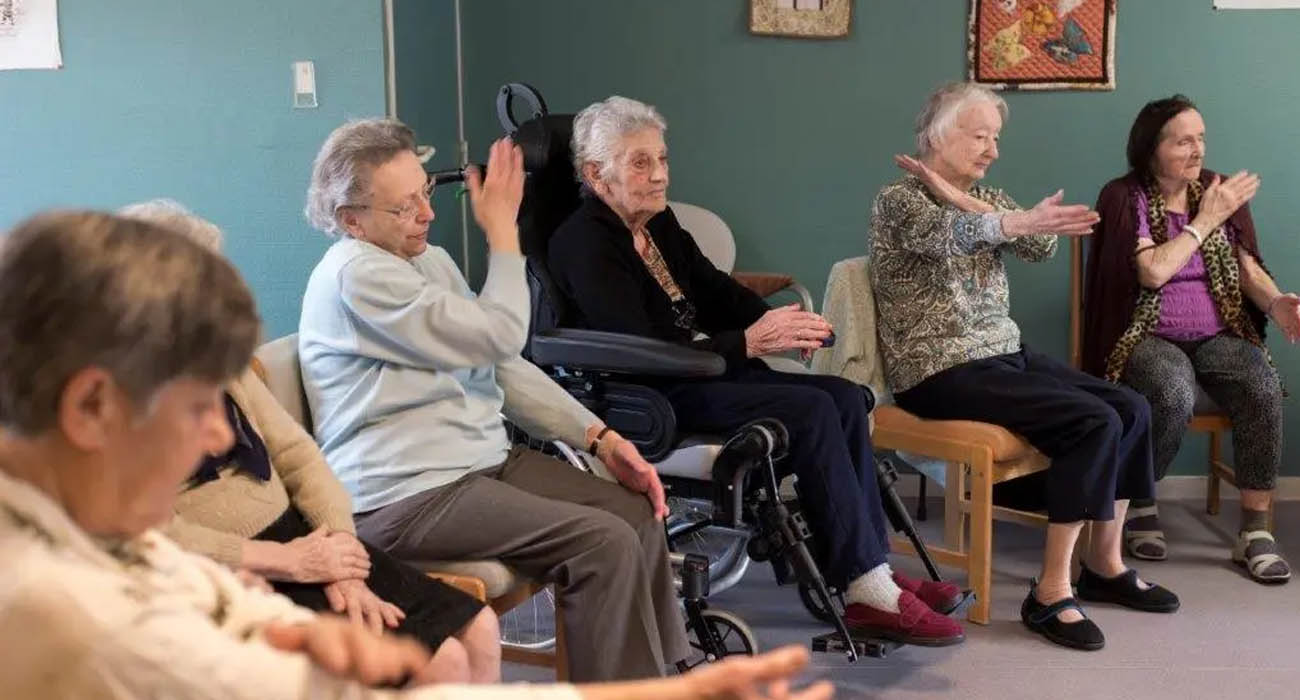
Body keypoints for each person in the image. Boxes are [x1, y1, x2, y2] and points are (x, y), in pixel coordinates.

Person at [0, 209, 834, 700]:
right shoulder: (59, 611)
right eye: (192, 412)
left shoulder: (113, 534)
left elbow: (289, 467)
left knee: (494, 614)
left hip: (326, 536)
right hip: (394, 499)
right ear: (90, 405)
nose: (223, 441)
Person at [547, 96, 966, 647]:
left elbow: (715, 290)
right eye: (640, 162)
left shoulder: (658, 222)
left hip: (702, 369)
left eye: (662, 159)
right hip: (650, 392)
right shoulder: (583, 242)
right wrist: (747, 342)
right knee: (814, 410)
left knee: (843, 395)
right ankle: (867, 588)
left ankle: (873, 572)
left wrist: (780, 324)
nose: (659, 175)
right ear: (596, 174)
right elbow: (642, 345)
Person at [298, 118, 689, 680]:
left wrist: (601, 440)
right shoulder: (357, 276)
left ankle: (656, 680)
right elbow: (502, 333)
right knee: (601, 543)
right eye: (404, 207)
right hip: (407, 495)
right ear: (350, 220)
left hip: (477, 462)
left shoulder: (424, 258)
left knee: (634, 512)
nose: (427, 215)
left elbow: (500, 363)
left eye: (424, 193)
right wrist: (503, 234)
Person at [117, 199, 501, 682]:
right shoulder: (116, 398)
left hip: (307, 540)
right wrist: (291, 563)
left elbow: (296, 453)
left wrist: (340, 555)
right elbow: (150, 535)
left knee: (480, 628)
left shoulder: (220, 360)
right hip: (232, 571)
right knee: (439, 662)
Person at [870, 82, 1179, 651]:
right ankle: (1050, 593)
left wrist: (973, 200)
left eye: (996, 137)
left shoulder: (988, 195)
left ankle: (1103, 567)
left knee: (1132, 406)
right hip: (938, 370)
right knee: (1093, 420)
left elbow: (1040, 248)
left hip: (1002, 355)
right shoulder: (900, 199)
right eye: (980, 135)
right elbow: (952, 237)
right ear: (939, 136)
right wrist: (996, 218)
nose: (992, 150)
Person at [1083, 95, 1294, 583]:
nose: (1197, 150)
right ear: (1151, 148)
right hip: (1144, 332)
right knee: (1172, 392)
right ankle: (1139, 501)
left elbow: (1245, 268)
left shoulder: (1215, 192)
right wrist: (1204, 222)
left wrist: (1276, 302)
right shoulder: (1124, 196)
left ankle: (1256, 531)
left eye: (1201, 137)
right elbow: (1153, 273)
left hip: (1218, 330)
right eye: (1183, 141)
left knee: (1261, 384)